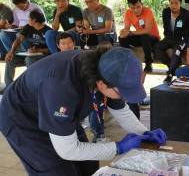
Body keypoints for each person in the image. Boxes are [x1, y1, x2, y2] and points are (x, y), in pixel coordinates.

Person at [0, 46, 167, 176]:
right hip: (23, 118)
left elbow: (121, 110)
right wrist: (118, 147)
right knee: (57, 171)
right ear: (102, 84)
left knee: (88, 164)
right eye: (122, 92)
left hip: (56, 111)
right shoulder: (63, 87)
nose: (123, 98)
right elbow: (68, 150)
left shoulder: (106, 66)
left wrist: (145, 134)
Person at [154, 0, 189, 82]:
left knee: (177, 51)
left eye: (176, 3)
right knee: (156, 48)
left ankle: (170, 74)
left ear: (180, 3)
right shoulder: (166, 12)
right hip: (169, 38)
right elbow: (166, 26)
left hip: (182, 39)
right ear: (169, 3)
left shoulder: (187, 14)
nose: (173, 5)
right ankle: (171, 66)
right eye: (171, 3)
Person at [4, 10, 51, 86]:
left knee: (29, 59)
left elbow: (52, 50)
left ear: (34, 20)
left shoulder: (48, 31)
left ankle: (31, 86)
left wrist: (38, 50)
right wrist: (11, 52)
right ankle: (9, 87)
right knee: (10, 59)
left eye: (29, 19)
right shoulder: (28, 27)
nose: (28, 20)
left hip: (43, 57)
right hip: (30, 55)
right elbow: (19, 39)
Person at [119, 0, 160, 72]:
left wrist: (131, 32)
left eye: (138, 7)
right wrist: (123, 33)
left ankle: (148, 63)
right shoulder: (128, 13)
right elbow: (126, 28)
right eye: (133, 8)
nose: (136, 10)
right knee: (122, 39)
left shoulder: (148, 11)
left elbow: (147, 30)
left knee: (144, 36)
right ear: (129, 7)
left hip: (152, 38)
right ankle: (129, 60)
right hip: (140, 37)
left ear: (142, 4)